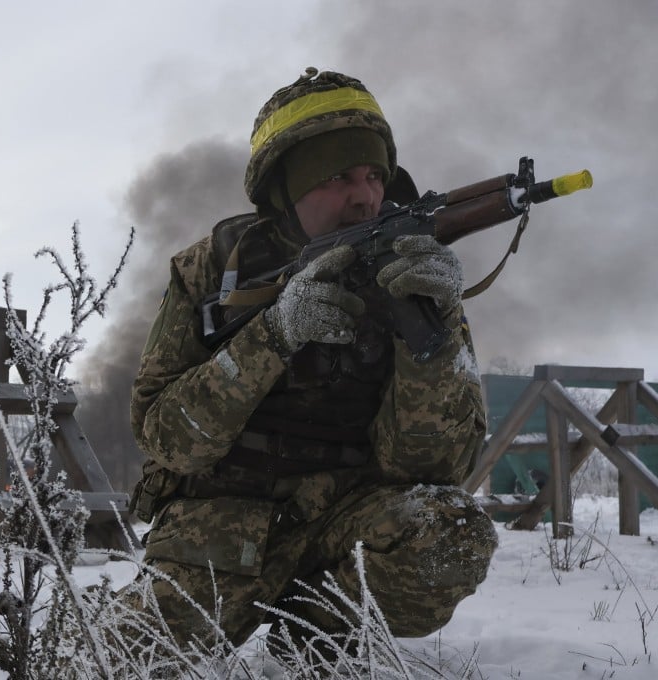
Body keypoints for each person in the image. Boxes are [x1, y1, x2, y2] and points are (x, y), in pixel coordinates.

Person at [127, 68, 498, 653]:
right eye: (338, 176)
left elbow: (438, 470)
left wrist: (435, 333)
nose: (365, 196)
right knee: (120, 662)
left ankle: (317, 634)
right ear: (284, 188)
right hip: (223, 530)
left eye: (376, 175)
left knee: (451, 529)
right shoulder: (213, 269)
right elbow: (166, 439)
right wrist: (273, 336)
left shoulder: (412, 271)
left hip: (347, 521)